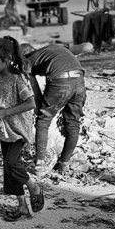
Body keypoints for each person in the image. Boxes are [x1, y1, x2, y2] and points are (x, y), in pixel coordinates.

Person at [0, 36, 45, 221]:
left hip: (19, 129)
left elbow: (31, 103)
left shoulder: (18, 79)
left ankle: (34, 186)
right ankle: (22, 206)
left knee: (11, 164)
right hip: (3, 129)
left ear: (7, 59)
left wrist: (5, 112)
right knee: (8, 169)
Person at [23, 44, 86, 175]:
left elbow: (34, 87)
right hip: (79, 80)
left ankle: (40, 164)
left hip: (61, 81)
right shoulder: (51, 51)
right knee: (73, 123)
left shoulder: (28, 60)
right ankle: (64, 164)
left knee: (43, 121)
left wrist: (40, 109)